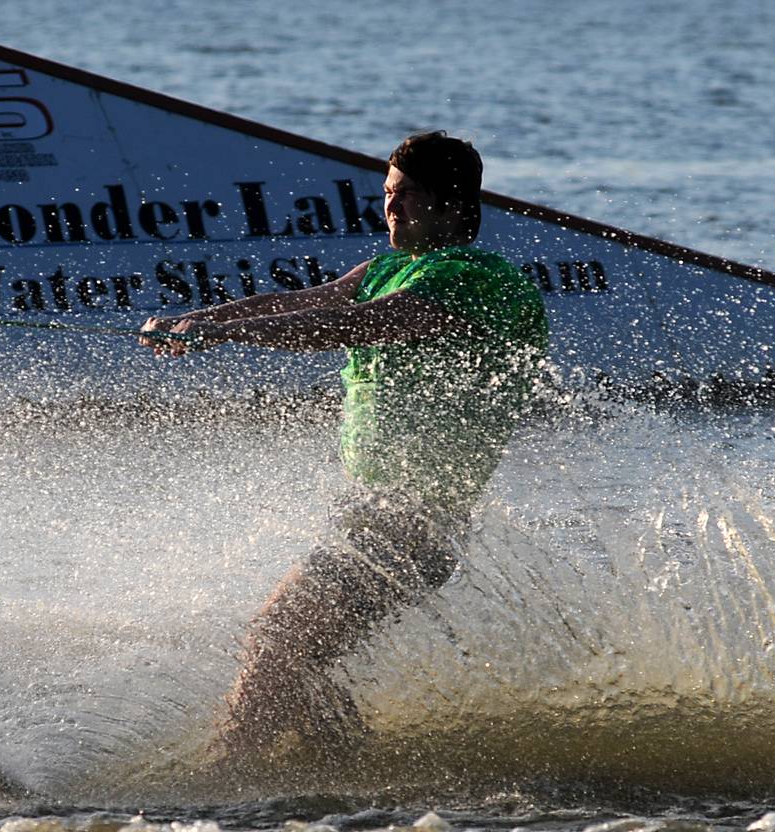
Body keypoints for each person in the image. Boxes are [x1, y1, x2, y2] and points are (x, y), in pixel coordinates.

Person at [140, 131, 549, 763]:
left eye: (407, 196)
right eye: (388, 195)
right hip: (368, 509)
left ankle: (225, 777)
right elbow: (304, 302)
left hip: (416, 522)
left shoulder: (474, 280)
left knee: (278, 639)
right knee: (299, 661)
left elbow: (345, 326)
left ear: (453, 202)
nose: (391, 208)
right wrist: (204, 321)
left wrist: (226, 338)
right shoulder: (384, 269)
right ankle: (347, 774)